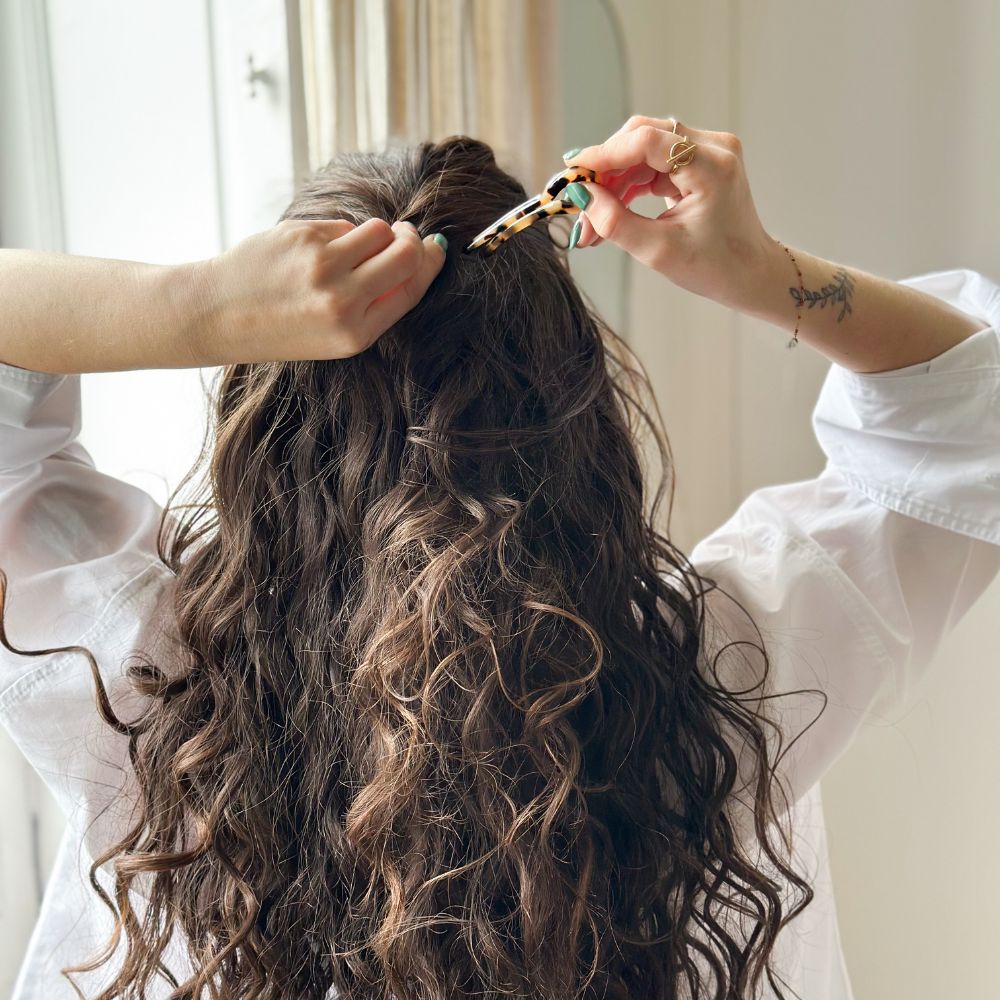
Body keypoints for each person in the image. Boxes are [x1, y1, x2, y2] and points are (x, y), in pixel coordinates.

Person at [0, 117, 996, 1000]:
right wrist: (757, 268)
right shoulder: (716, 687)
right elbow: (969, 420)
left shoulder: (144, 690)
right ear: (573, 407)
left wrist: (197, 304)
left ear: (264, 426)